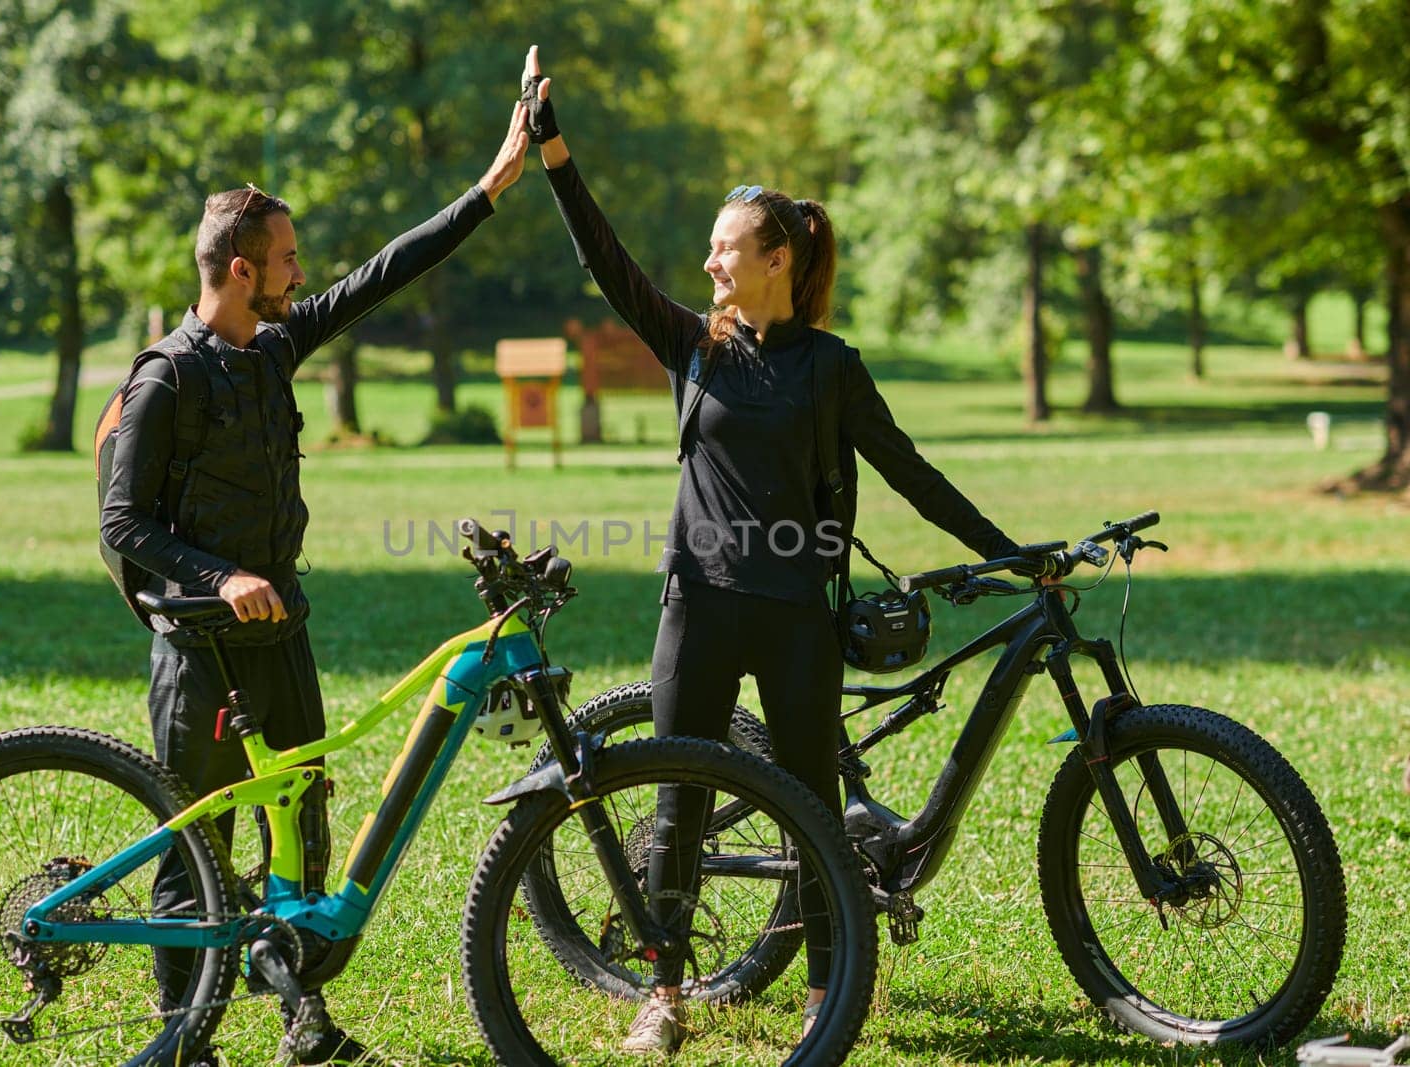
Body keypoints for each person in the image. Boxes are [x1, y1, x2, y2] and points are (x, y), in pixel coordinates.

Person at [519, 47, 1024, 1054]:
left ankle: (825, 986)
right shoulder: (693, 347)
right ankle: (663, 991)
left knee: (812, 812)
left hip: (798, 616)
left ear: (777, 258)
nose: (708, 262)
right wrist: (556, 155)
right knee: (680, 801)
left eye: (724, 247)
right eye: (710, 248)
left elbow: (910, 471)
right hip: (698, 605)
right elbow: (607, 264)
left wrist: (1009, 553)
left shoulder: (832, 368)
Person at [99, 103, 531, 1065]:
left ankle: (304, 1017)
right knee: (195, 853)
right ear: (241, 269)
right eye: (288, 257)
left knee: (303, 825)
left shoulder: (276, 347)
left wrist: (489, 189)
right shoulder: (166, 380)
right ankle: (186, 1041)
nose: (303, 272)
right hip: (200, 646)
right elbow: (123, 525)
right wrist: (223, 575)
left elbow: (383, 275)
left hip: (280, 633)